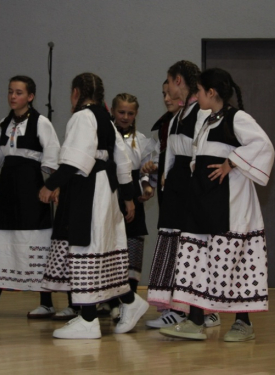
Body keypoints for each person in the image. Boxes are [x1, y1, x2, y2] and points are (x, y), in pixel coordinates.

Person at [159, 68, 274, 341]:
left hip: (230, 204)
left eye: (198, 91)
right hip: (202, 199)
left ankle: (243, 323)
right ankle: (195, 320)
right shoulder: (206, 119)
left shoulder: (238, 118)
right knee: (194, 259)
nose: (195, 96)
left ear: (211, 93)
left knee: (233, 261)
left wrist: (230, 162)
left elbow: (263, 145)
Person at [39, 73, 149, 339]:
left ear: (76, 92)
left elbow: (76, 160)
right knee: (103, 251)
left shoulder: (82, 117)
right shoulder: (105, 119)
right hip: (106, 190)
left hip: (88, 189)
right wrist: (127, 197)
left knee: (86, 248)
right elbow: (122, 162)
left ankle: (88, 319)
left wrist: (51, 184)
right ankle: (131, 302)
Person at [0, 76, 61, 319]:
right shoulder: (3, 124)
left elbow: (52, 155)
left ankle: (47, 302)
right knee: (2, 239)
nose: (13, 96)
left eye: (19, 92)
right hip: (7, 189)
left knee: (37, 241)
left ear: (30, 97)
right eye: (10, 91)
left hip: (32, 189)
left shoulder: (41, 122)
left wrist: (54, 187)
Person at [144, 61, 219, 329]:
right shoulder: (178, 114)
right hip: (175, 188)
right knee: (174, 246)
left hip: (191, 187)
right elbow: (172, 151)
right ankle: (177, 308)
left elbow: (200, 149)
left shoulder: (200, 110)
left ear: (178, 80)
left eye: (169, 82)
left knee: (192, 249)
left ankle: (203, 311)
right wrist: (164, 175)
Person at [101, 93, 156, 322]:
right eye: (121, 112)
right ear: (113, 111)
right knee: (110, 247)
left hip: (132, 194)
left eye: (130, 113)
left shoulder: (142, 140)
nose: (125, 117)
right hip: (110, 193)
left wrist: (147, 187)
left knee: (132, 247)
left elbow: (146, 171)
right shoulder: (104, 137)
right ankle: (111, 301)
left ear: (136, 114)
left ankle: (130, 299)